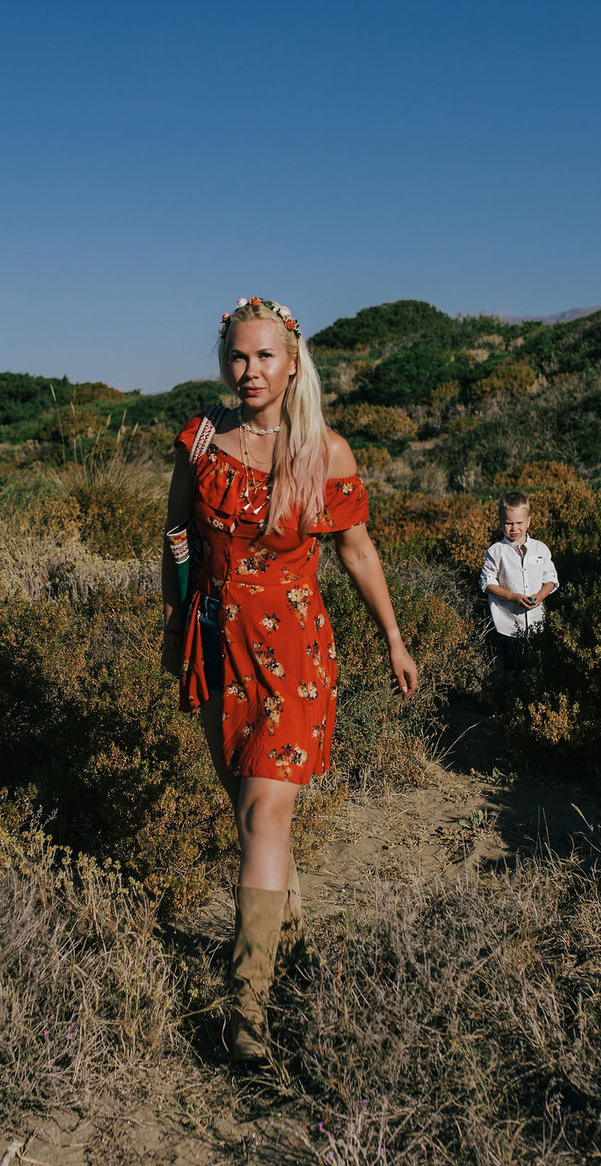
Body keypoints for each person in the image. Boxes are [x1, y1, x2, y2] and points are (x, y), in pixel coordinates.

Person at [161, 296, 419, 1064]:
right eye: (238, 357)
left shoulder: (325, 450)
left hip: (293, 657)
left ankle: (245, 1017)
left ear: (293, 361)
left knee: (266, 815)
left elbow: (359, 552)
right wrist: (175, 629)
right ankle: (298, 955)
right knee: (251, 816)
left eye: (264, 356)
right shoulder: (200, 443)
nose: (249, 371)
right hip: (215, 644)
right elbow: (176, 539)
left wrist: (396, 638)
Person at [479, 490, 558, 678]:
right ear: (500, 522)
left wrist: (540, 596)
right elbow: (486, 583)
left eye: (519, 523)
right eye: (508, 523)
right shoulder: (496, 551)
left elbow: (551, 579)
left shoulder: (540, 549)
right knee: (512, 671)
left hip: (538, 624)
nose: (514, 528)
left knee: (538, 669)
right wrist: (512, 597)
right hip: (509, 627)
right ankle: (507, 703)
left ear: (529, 521)